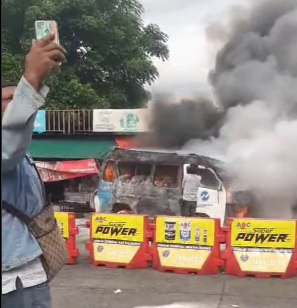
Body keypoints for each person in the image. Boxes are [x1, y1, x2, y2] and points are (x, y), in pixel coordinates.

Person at [2, 34, 66, 308]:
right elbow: (7, 148)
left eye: (17, 97)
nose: (15, 103)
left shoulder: (22, 149)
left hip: (27, 273)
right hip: (11, 281)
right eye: (7, 98)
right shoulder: (10, 149)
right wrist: (32, 79)